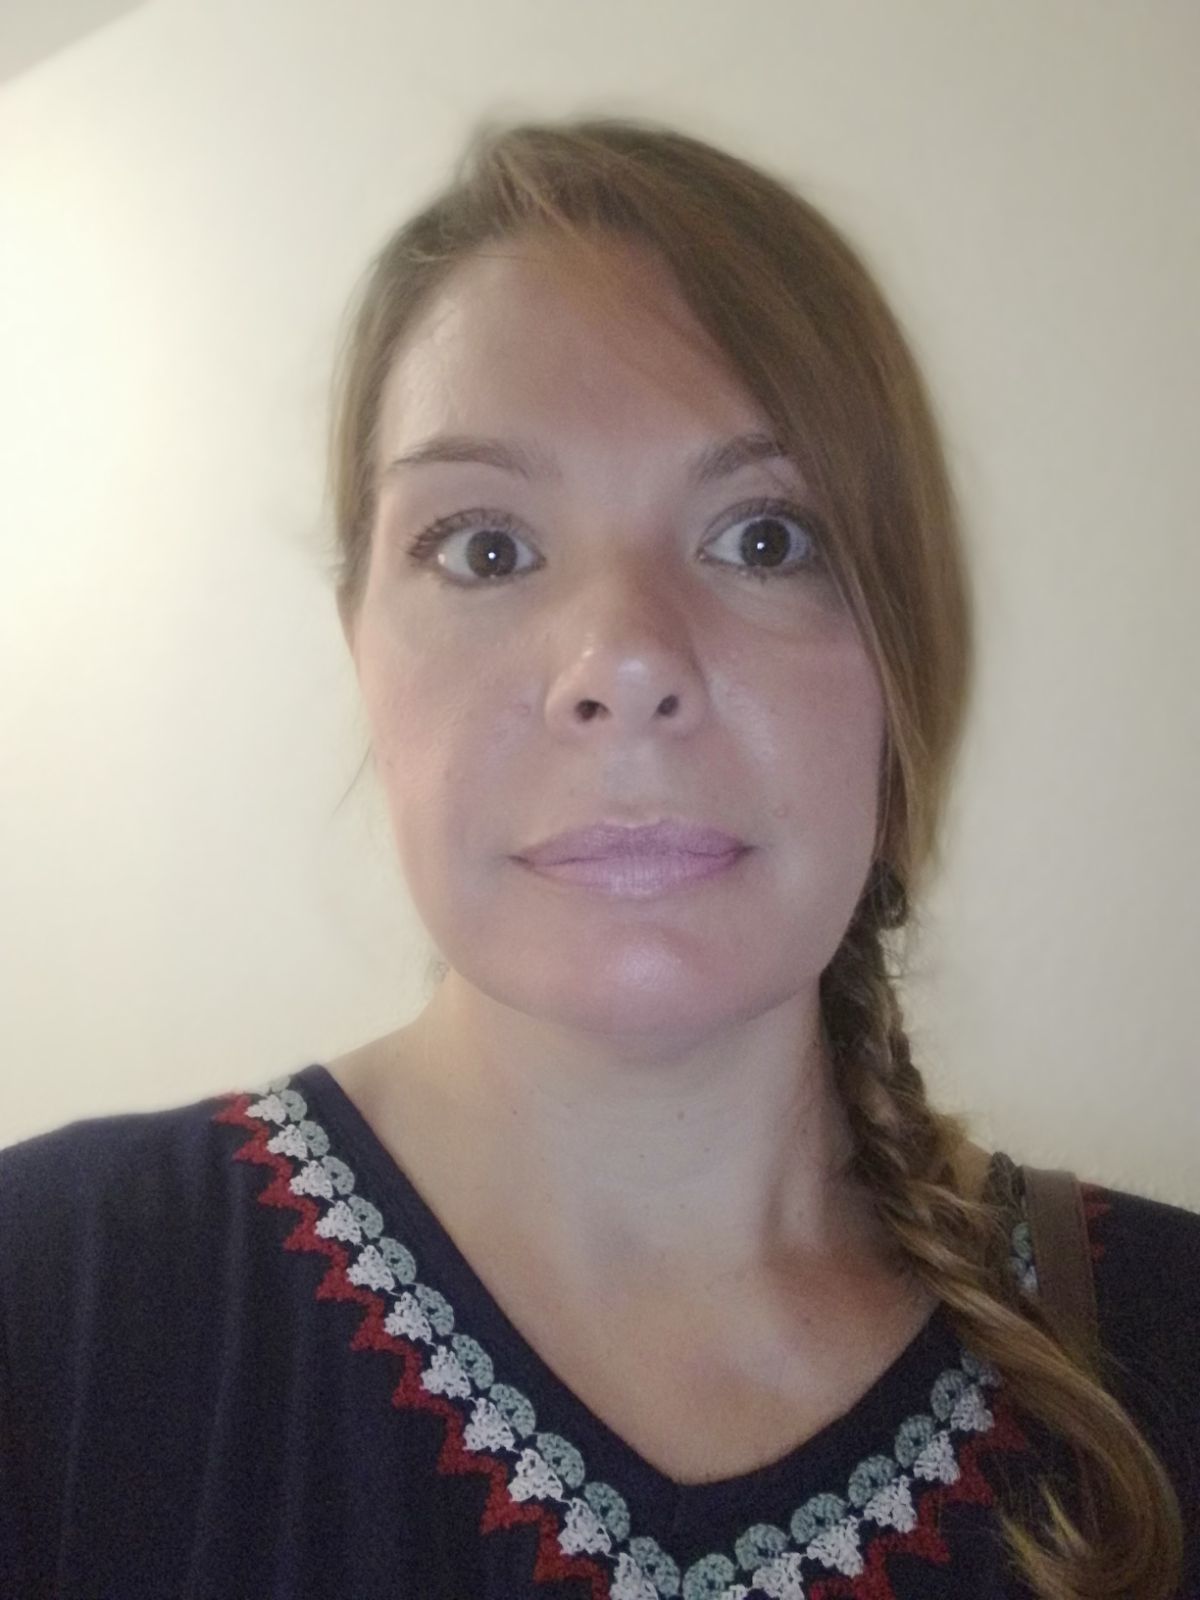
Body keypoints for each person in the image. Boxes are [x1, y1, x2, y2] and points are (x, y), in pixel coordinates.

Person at [1, 115, 1196, 1600]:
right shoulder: (50, 1307)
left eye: (766, 539)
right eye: (486, 548)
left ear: (907, 659)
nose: (625, 662)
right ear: (361, 647)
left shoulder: (1168, 1348)